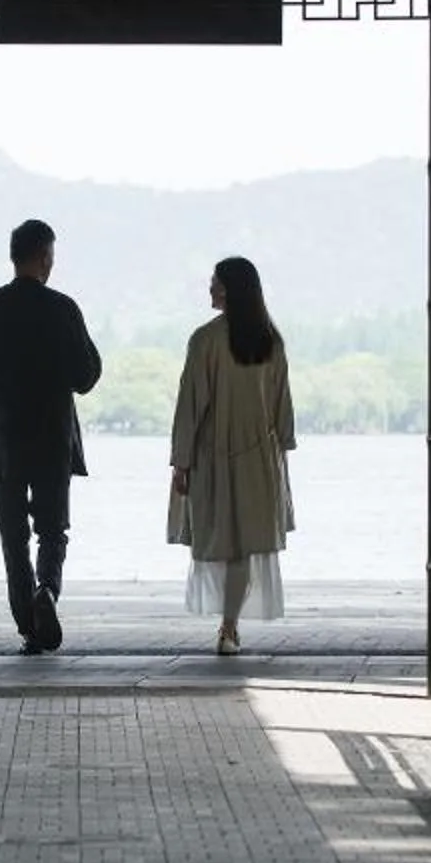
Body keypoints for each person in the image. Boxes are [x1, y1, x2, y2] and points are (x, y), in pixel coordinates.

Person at [0, 217, 103, 654]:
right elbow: (86, 376)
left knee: (12, 533)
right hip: (52, 435)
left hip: (3, 438)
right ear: (45, 256)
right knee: (52, 529)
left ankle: (27, 625)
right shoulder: (62, 308)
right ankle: (48, 590)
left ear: (13, 256)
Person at [169, 256, 296, 655]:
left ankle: (228, 625)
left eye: (214, 283)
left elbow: (190, 405)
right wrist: (283, 454)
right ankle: (229, 626)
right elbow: (282, 407)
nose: (210, 288)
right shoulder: (270, 340)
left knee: (219, 538)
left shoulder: (205, 340)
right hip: (260, 455)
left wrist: (181, 460)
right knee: (244, 544)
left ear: (228, 289)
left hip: (213, 456)